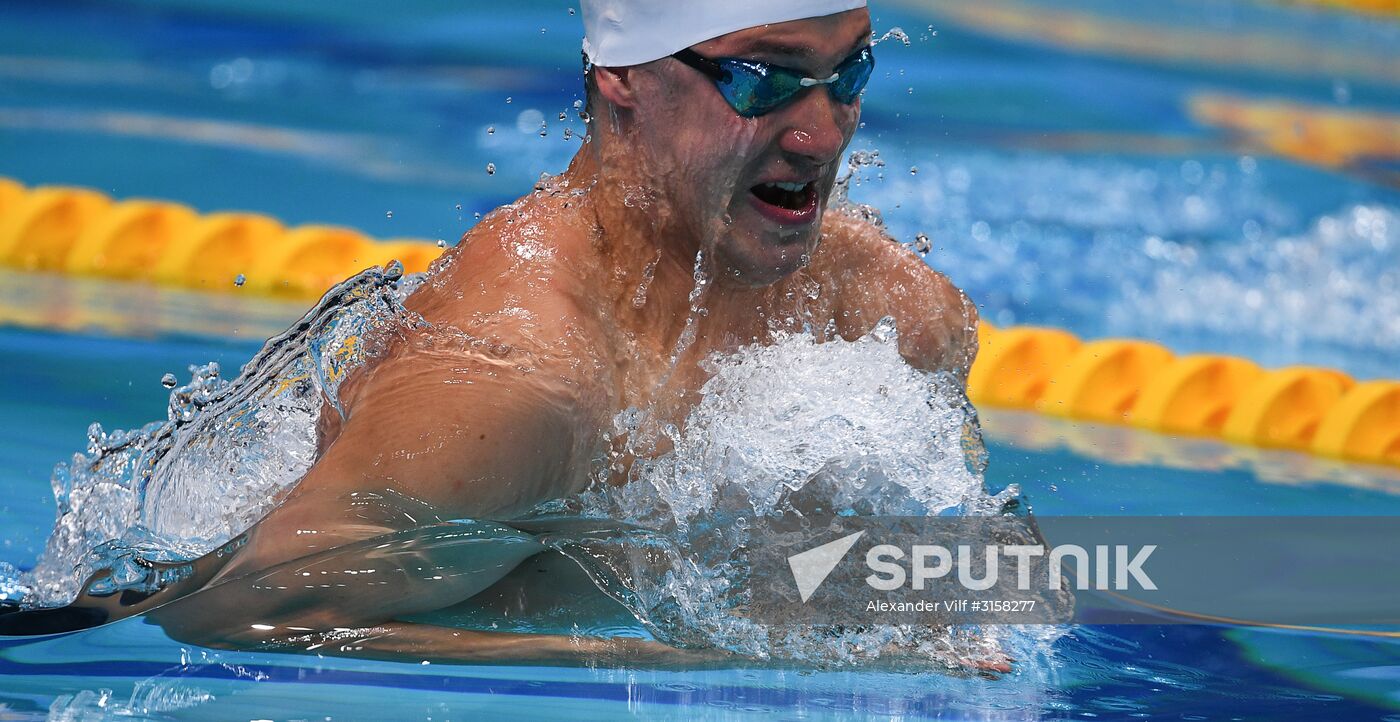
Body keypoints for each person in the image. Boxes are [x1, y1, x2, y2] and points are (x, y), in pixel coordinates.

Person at [47, 0, 983, 666]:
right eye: (763, 81)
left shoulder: (892, 318)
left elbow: (952, 583)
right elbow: (235, 608)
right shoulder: (518, 379)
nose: (822, 134)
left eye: (846, 74)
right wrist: (688, 662)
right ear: (622, 77)